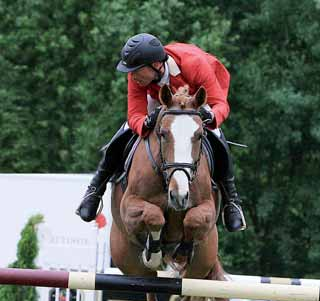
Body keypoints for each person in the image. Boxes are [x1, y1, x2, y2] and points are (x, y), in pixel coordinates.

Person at [76, 33, 246, 232]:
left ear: (156, 65)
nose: (132, 75)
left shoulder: (195, 64)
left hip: (195, 99)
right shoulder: (137, 78)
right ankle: (95, 190)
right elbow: (134, 115)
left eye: (136, 70)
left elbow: (221, 104)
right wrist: (146, 122)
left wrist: (212, 117)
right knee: (123, 131)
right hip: (160, 100)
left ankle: (231, 202)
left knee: (217, 135)